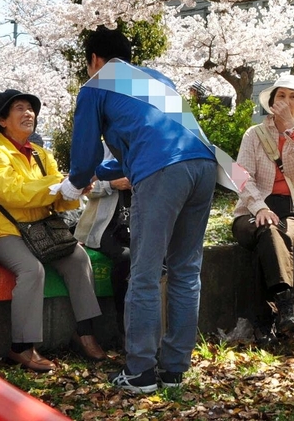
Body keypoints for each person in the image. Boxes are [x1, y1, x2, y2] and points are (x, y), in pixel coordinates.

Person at [57, 26, 218, 394]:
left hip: (162, 171)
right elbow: (147, 144)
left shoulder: (96, 84)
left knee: (144, 272)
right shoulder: (156, 79)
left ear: (94, 60)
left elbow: (84, 155)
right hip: (203, 164)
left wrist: (74, 182)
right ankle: (175, 368)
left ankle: (141, 371)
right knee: (185, 270)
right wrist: (99, 173)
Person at [0, 89, 105, 372]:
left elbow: (58, 200)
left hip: (39, 228)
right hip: (1, 229)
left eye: (30, 108)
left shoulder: (42, 154)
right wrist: (57, 186)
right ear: (2, 120)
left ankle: (85, 333)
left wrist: (74, 189)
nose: (28, 113)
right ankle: (21, 347)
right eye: (19, 108)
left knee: (79, 259)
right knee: (32, 270)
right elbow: (9, 192)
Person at [231, 74, 294, 343]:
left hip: (290, 211)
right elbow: (241, 176)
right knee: (267, 228)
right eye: (281, 95)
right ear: (271, 101)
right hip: (251, 211)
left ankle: (265, 321)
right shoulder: (253, 134)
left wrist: (290, 131)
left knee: (276, 238)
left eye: (293, 97)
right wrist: (259, 207)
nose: (286, 101)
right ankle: (285, 303)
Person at [75, 144, 133, 339]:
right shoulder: (97, 149)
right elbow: (83, 188)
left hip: (137, 222)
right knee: (126, 257)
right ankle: (123, 325)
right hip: (102, 226)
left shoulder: (143, 146)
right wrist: (112, 184)